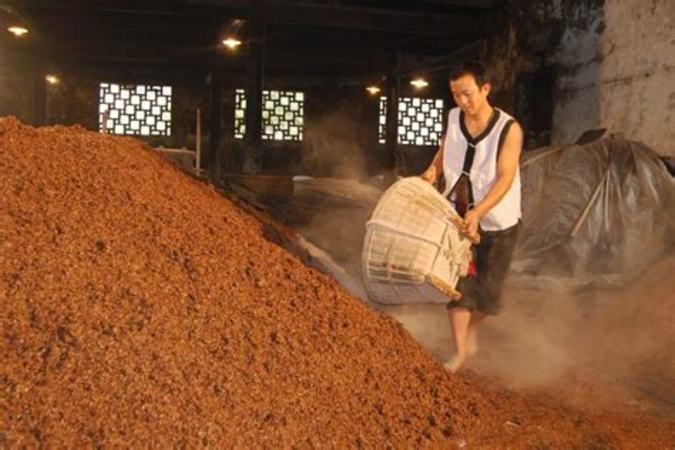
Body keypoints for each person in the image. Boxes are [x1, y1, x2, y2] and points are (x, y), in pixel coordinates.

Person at [420, 61, 523, 373]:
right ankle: (460, 353)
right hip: (457, 219)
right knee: (458, 289)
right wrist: (433, 169)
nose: (461, 102)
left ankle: (473, 329)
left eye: (466, 94)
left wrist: (479, 212)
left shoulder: (509, 129)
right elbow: (444, 150)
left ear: (485, 89)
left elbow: (505, 178)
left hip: (498, 223)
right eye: (455, 95)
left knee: (490, 300)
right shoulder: (453, 118)